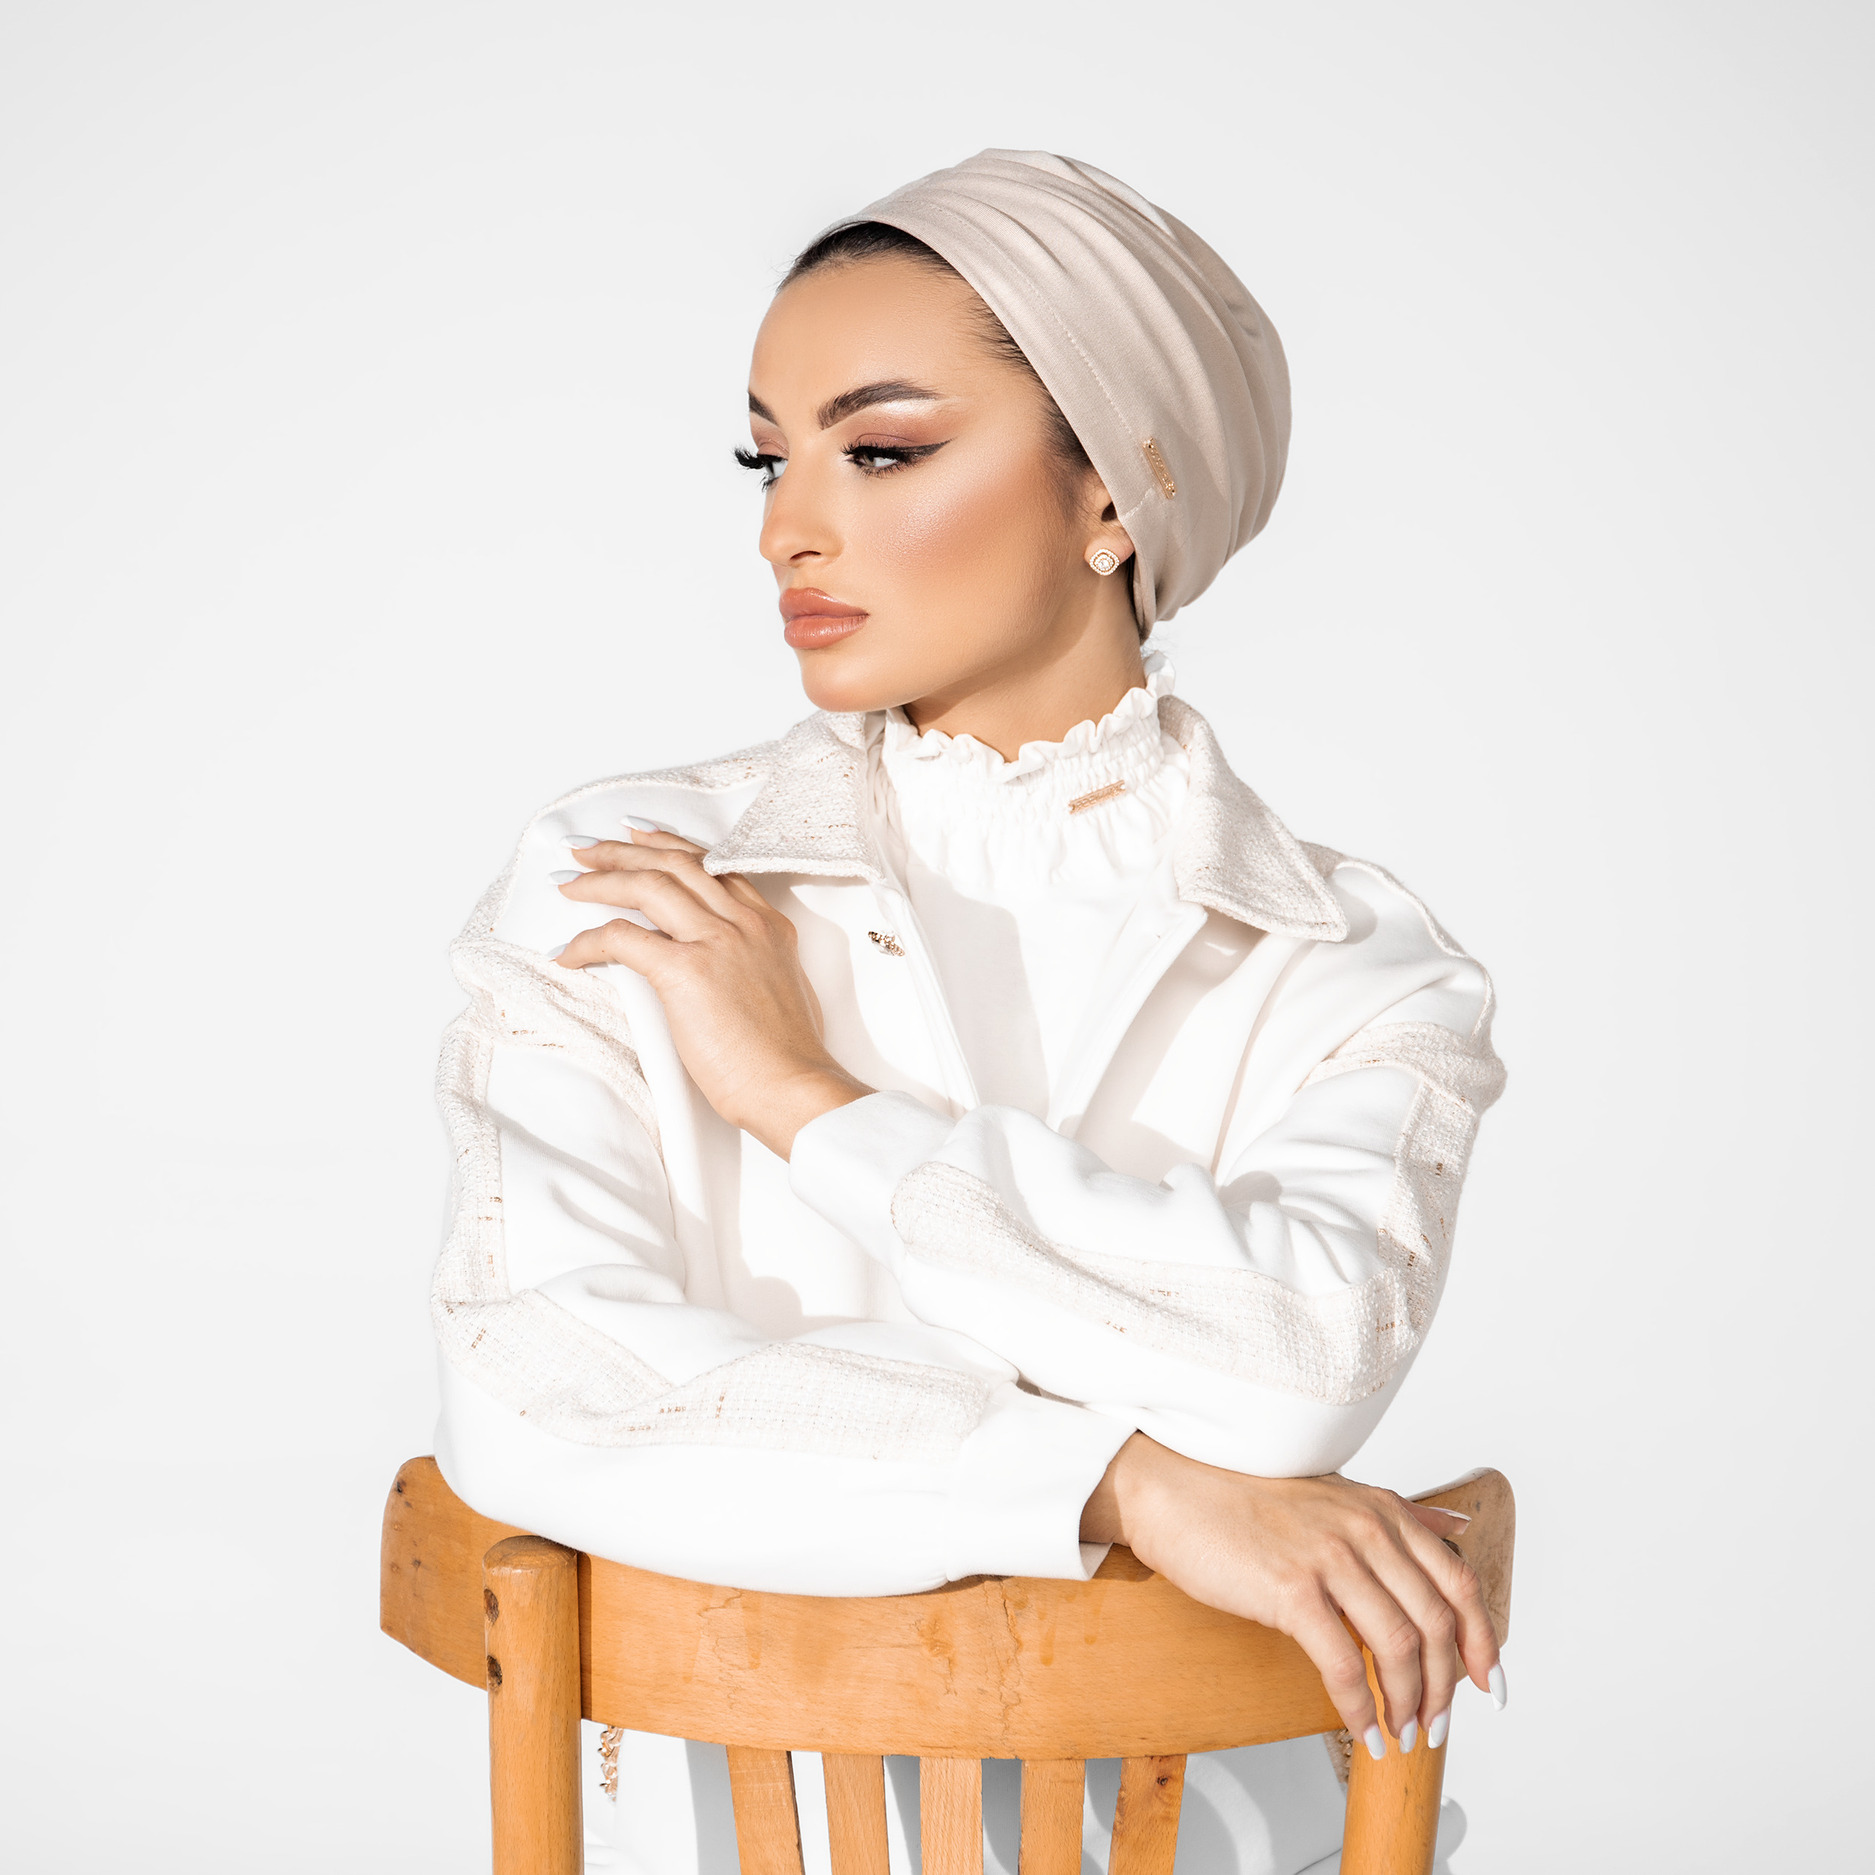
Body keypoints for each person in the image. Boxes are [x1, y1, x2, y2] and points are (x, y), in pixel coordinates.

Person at [429, 150, 1507, 1875]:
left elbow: (1297, 1380)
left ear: (1114, 495)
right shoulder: (633, 879)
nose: (787, 526)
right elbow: (539, 1388)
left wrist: (809, 1107)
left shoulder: (1352, 958)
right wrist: (1123, 1483)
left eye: (882, 451)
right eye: (767, 457)